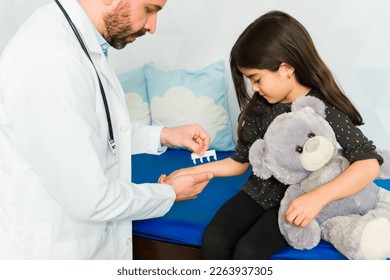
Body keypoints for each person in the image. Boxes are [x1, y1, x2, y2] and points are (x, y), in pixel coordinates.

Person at [159, 10, 384, 259]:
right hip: (257, 193)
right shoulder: (260, 107)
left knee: (249, 251)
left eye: (256, 79)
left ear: (286, 68)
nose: (253, 88)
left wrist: (317, 199)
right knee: (213, 238)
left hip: (296, 199)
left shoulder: (323, 109)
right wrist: (189, 172)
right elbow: (240, 162)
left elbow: (368, 164)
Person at [0, 0, 214, 260]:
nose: (153, 26)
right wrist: (170, 193)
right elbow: (92, 199)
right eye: (149, 9)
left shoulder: (78, 42)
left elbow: (96, 131)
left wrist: (164, 135)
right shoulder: (53, 60)